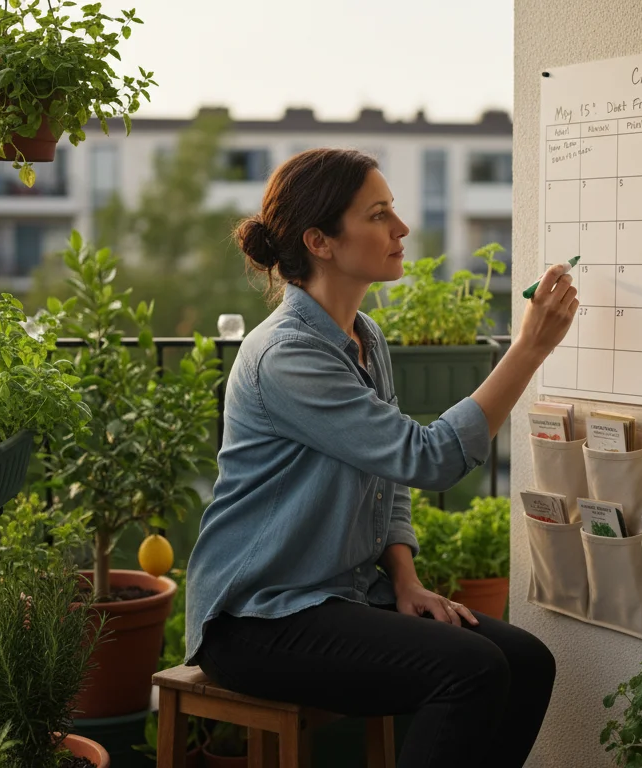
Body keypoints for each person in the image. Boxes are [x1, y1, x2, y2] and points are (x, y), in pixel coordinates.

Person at [184, 147, 579, 768]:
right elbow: (427, 459)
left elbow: (389, 479)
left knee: (527, 662)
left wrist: (405, 580)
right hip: (257, 617)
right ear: (321, 240)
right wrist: (527, 349)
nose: (401, 229)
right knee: (471, 672)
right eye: (378, 215)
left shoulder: (365, 338)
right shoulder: (288, 356)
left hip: (339, 596)